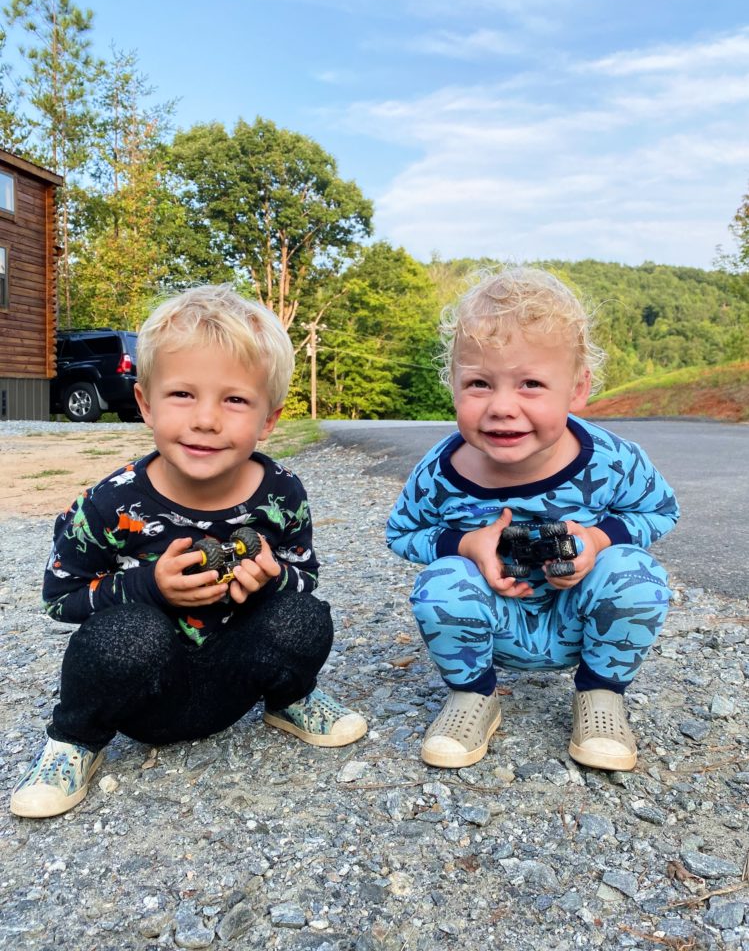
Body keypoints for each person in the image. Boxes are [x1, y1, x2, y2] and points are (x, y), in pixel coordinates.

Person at [11, 284, 366, 818]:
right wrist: (148, 586)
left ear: (269, 419)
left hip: (236, 683)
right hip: (146, 693)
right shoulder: (110, 502)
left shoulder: (282, 492)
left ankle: (288, 700)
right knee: (125, 634)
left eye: (235, 399)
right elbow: (59, 598)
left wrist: (273, 581)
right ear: (145, 404)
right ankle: (75, 740)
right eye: (183, 394)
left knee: (303, 616)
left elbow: (305, 574)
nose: (206, 419)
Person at [386, 267, 678, 772]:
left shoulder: (612, 458)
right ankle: (473, 695)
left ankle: (601, 695)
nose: (502, 407)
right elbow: (402, 532)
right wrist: (466, 545)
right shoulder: (440, 471)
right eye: (479, 383)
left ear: (577, 389)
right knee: (441, 582)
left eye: (531, 384)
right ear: (452, 386)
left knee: (636, 573)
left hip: (577, 620)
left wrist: (597, 539)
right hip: (494, 627)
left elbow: (660, 509)